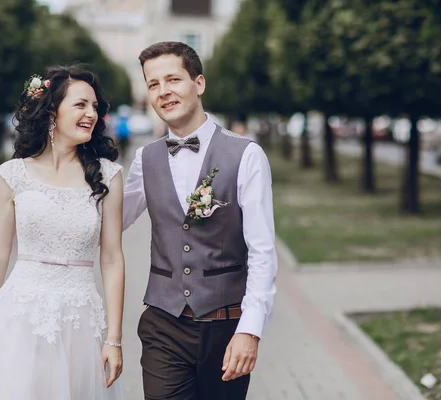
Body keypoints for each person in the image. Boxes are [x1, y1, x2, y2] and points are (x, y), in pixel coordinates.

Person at [123, 41, 278, 400]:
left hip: (225, 327)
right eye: (153, 84)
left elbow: (263, 251)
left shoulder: (246, 154)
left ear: (199, 83)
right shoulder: (144, 159)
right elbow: (106, 224)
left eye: (173, 79)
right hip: (163, 324)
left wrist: (250, 330)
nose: (163, 92)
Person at [0, 64, 125, 400]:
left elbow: (111, 259)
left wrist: (114, 339)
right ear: (52, 111)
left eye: (95, 107)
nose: (91, 114)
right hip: (19, 317)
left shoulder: (108, 176)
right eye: (80, 105)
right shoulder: (12, 175)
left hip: (81, 322)